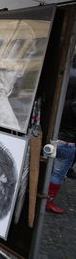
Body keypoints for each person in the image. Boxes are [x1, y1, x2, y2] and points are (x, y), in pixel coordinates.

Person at [46, 67, 76, 213]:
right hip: (67, 144)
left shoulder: (60, 101)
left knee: (48, 171)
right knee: (58, 174)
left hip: (54, 140)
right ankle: (49, 201)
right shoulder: (73, 105)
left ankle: (44, 199)